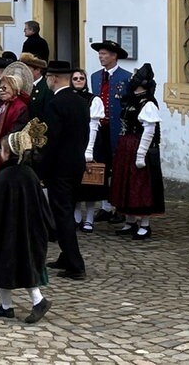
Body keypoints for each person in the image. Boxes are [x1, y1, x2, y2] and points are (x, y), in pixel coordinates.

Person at [0, 118, 53, 324]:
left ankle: (39, 300)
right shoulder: (29, 175)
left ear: (10, 153)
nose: (0, 153)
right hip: (25, 231)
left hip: (9, 232)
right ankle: (6, 306)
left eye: (3, 150)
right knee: (8, 267)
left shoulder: (7, 178)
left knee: (17, 266)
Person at [38, 60, 90, 279]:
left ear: (54, 78)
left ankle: (75, 263)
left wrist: (42, 169)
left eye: (49, 77)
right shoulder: (80, 101)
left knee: (63, 214)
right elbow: (86, 134)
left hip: (60, 166)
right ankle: (66, 256)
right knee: (66, 209)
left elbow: (51, 140)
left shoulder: (56, 103)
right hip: (75, 163)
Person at [110, 64, 164, 240]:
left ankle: (145, 225)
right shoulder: (131, 99)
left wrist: (141, 153)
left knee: (141, 186)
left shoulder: (147, 103)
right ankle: (130, 221)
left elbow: (149, 130)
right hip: (126, 145)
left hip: (138, 145)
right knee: (126, 183)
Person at [89, 39, 132, 223]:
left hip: (118, 130)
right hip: (100, 129)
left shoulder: (126, 77)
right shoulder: (95, 76)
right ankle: (105, 206)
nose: (101, 56)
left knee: (119, 168)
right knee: (102, 167)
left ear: (114, 56)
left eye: (104, 53)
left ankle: (120, 207)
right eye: (99, 53)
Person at [73, 68, 111, 232]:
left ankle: (89, 218)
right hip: (73, 144)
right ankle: (76, 217)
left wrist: (89, 150)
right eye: (75, 78)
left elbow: (94, 126)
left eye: (82, 78)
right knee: (74, 184)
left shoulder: (93, 100)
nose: (79, 80)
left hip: (91, 143)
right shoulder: (68, 98)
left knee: (90, 185)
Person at [0, 64, 33, 174]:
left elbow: (16, 131)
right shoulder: (0, 106)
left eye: (5, 88)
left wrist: (4, 146)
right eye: (0, 88)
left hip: (10, 155)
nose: (1, 91)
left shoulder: (20, 107)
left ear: (15, 89)